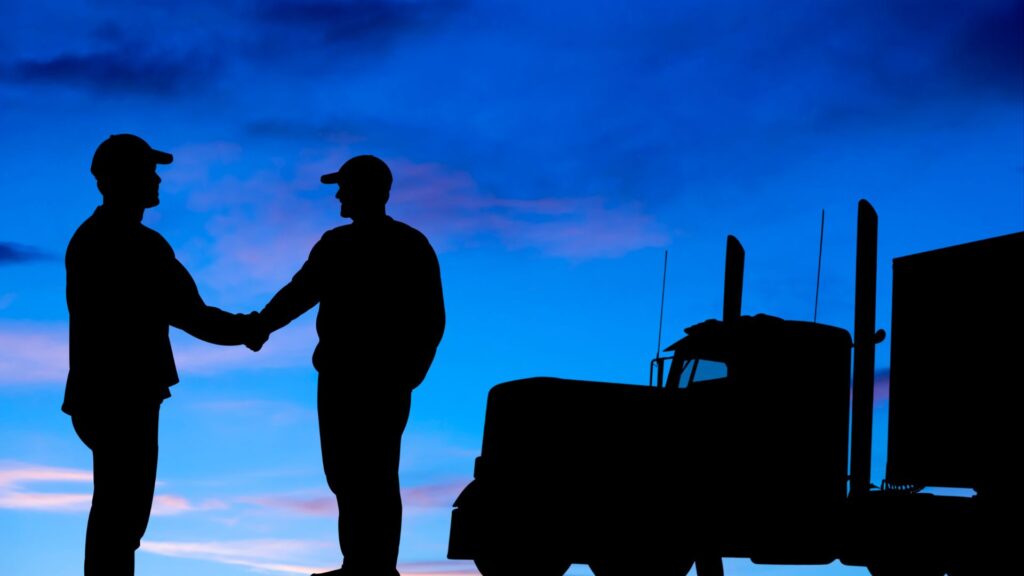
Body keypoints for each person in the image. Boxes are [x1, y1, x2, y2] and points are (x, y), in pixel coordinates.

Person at [64, 134, 263, 576]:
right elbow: (192, 314)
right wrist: (251, 327)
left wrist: (246, 326)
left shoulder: (99, 238)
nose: (156, 179)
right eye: (148, 171)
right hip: (123, 393)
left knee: (119, 510)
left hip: (107, 393)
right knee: (123, 513)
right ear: (121, 178)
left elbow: (188, 312)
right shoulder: (134, 244)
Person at [250, 155, 445, 576]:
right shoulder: (344, 244)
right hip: (344, 377)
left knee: (372, 471)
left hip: (377, 379)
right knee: (346, 473)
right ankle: (360, 562)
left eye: (345, 186)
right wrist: (261, 324)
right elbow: (299, 293)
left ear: (368, 190)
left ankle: (373, 567)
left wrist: (409, 372)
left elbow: (430, 318)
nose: (338, 194)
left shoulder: (404, 245)